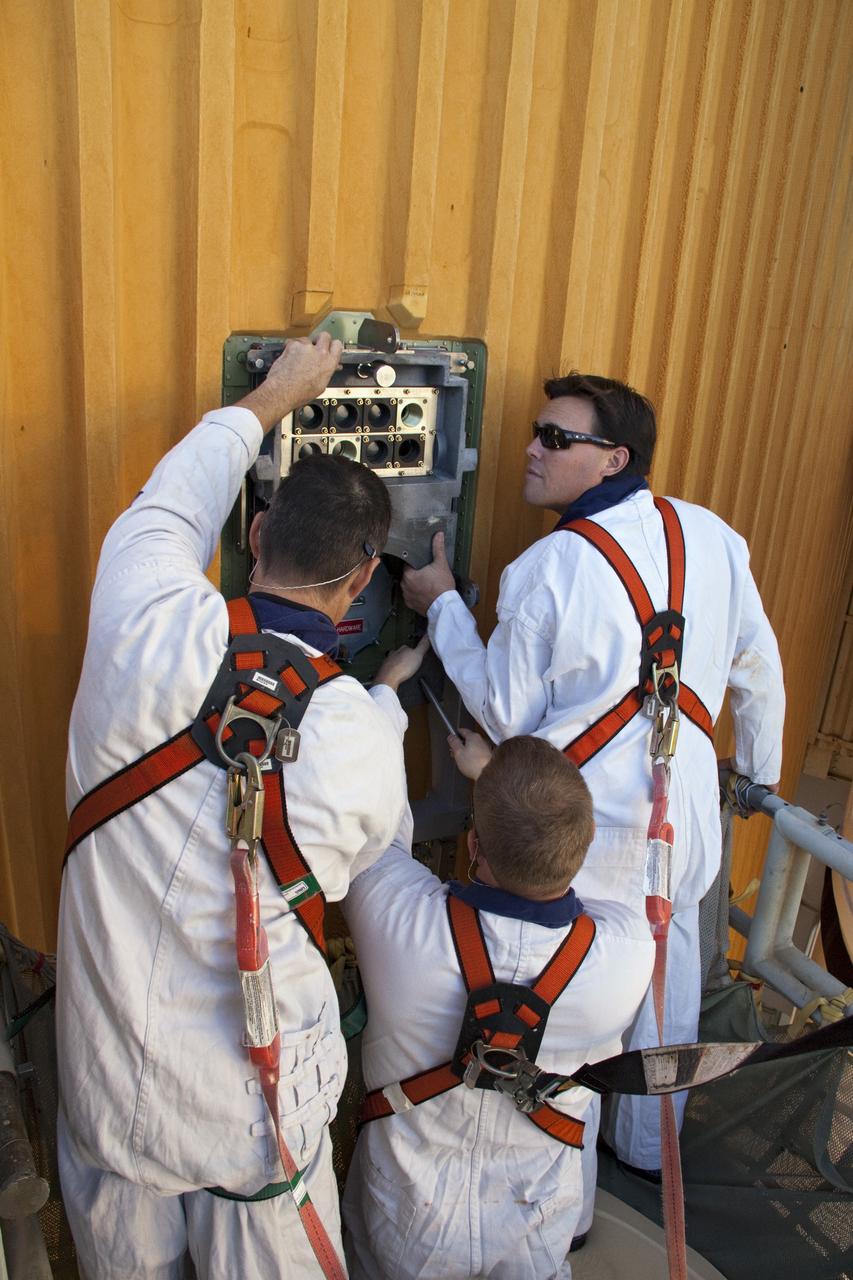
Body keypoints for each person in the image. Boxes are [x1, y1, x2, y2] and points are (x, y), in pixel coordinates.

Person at [57, 333, 413, 1279]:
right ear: (362, 580)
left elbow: (177, 491)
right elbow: (371, 850)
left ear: (253, 536)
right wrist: (389, 698)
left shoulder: (137, 607)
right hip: (254, 1119)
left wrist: (277, 395)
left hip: (107, 1084)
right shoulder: (360, 735)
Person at [401, 371, 785, 1175]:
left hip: (593, 830)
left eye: (555, 438)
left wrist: (440, 603)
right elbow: (759, 669)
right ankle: (649, 1155)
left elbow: (503, 711)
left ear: (613, 458)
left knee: (578, 1006)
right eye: (536, 433)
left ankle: (565, 1190)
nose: (532, 451)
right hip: (686, 818)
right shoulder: (710, 536)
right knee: (668, 984)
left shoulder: (547, 567)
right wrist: (755, 777)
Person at [341, 733, 655, 1279]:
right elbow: (586, 900)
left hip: (407, 1220)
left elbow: (380, 843)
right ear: (580, 853)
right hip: (536, 1222)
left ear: (472, 847)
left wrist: (389, 705)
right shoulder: (629, 953)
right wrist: (511, 800)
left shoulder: (398, 924)